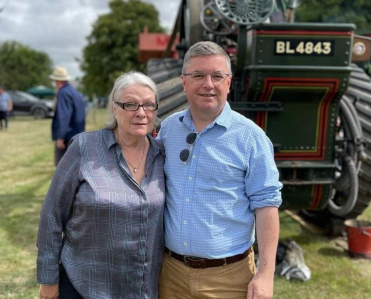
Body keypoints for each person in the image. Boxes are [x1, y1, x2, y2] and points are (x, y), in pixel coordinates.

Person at [157, 41, 283, 299]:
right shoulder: (168, 130)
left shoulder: (251, 138)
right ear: (184, 82)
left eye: (217, 76)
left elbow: (267, 205)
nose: (208, 84)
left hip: (230, 278)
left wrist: (265, 273)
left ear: (228, 82)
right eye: (198, 76)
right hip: (170, 275)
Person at [37, 71, 165, 299]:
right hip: (83, 286)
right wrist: (48, 279)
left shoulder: (162, 155)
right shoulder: (84, 148)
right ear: (114, 108)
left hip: (140, 289)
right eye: (130, 105)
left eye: (148, 105)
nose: (141, 113)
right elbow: (52, 214)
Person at [50, 66, 86, 166]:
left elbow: (64, 116)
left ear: (57, 80)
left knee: (62, 168)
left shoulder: (63, 93)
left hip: (67, 137)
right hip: (76, 134)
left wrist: (60, 137)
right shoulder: (74, 92)